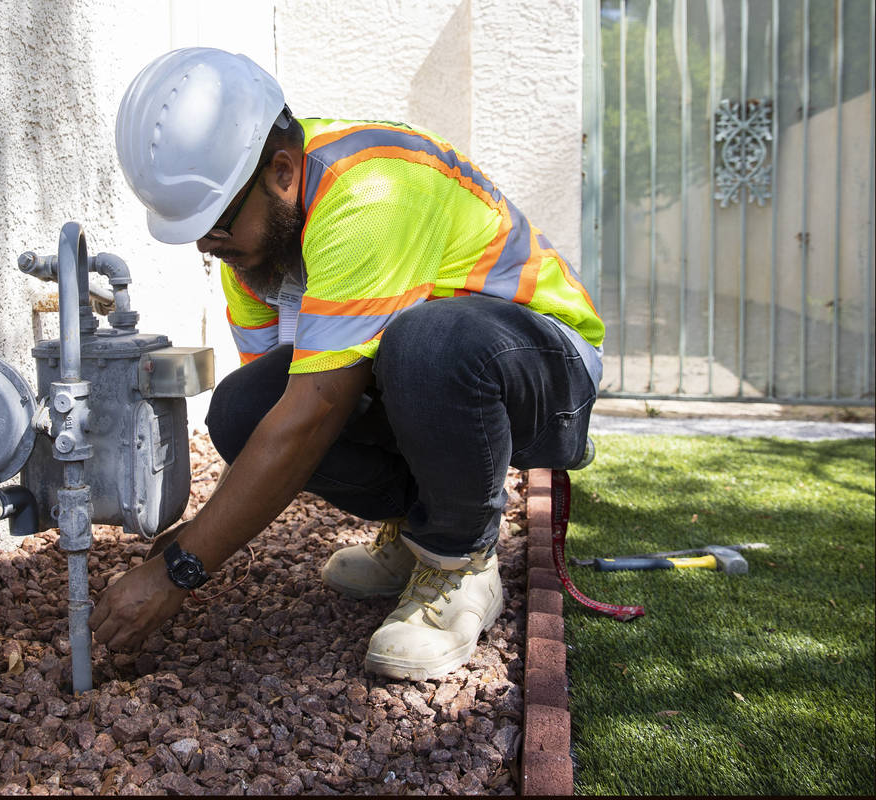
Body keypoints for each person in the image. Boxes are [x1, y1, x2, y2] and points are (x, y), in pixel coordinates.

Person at [89, 47, 603, 680]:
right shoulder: (252, 252)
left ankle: (458, 561)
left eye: (217, 221)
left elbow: (313, 415)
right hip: (446, 385)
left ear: (282, 170)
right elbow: (282, 417)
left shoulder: (369, 191)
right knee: (242, 409)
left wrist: (182, 568)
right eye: (196, 230)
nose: (207, 244)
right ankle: (419, 526)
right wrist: (198, 535)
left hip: (544, 372)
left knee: (428, 341)